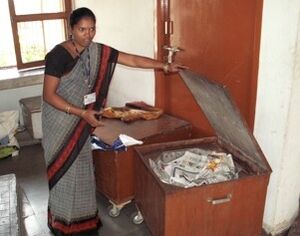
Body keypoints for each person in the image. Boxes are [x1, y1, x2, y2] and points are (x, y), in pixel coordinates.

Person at [42, 7, 185, 236]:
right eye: (82, 30)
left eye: (92, 29)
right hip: (61, 122)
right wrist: (80, 113)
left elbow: (132, 60)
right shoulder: (58, 56)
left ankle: (82, 220)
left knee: (82, 171)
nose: (88, 35)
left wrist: (164, 66)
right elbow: (49, 95)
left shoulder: (97, 51)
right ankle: (62, 222)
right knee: (64, 173)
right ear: (71, 30)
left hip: (81, 120)